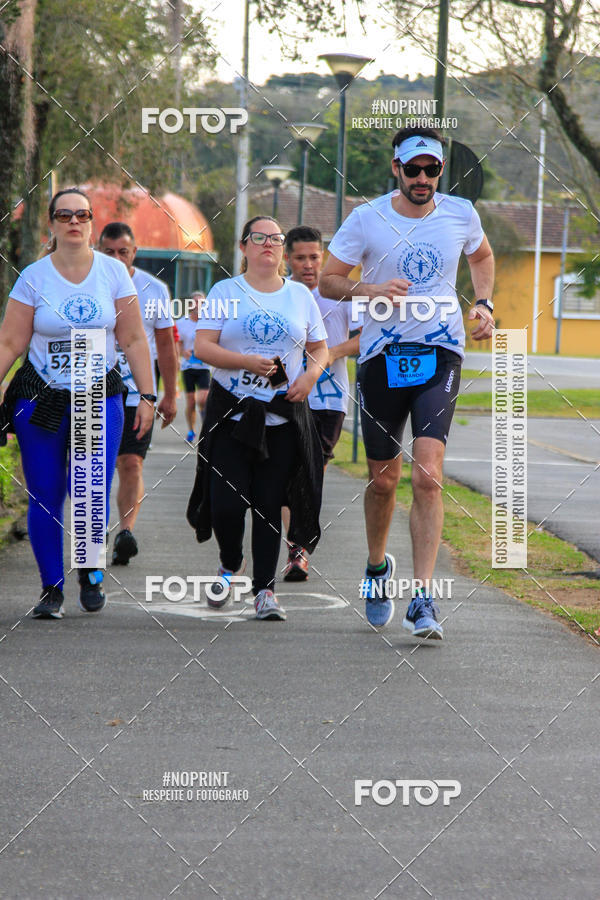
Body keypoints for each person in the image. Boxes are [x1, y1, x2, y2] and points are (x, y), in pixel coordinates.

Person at [320, 127, 495, 638]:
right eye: (412, 169)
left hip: (441, 352)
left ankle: (423, 598)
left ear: (441, 171)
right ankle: (377, 567)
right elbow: (330, 281)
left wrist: (482, 303)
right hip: (381, 356)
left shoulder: (460, 213)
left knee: (428, 475)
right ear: (395, 168)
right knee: (383, 479)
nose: (422, 179)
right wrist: (370, 288)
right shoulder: (366, 218)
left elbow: (481, 257)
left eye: (432, 170)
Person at [0, 188, 154, 618]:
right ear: (51, 223)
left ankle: (90, 570)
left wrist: (147, 394)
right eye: (64, 215)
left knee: (88, 487)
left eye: (82, 214)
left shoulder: (112, 273)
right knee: (45, 493)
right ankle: (51, 587)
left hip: (96, 398)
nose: (73, 221)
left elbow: (133, 338)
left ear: (91, 222)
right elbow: (10, 341)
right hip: (41, 398)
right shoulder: (34, 275)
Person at [186, 216, 328, 620]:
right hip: (232, 413)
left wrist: (310, 376)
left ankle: (265, 592)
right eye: (259, 237)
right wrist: (246, 361)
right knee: (227, 506)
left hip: (282, 416)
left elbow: (321, 348)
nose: (269, 244)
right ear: (244, 246)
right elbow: (203, 348)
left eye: (276, 238)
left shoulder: (300, 296)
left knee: (268, 506)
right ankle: (231, 562)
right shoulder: (225, 291)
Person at [282, 225, 361, 581]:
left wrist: (330, 354)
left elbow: (367, 338)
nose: (309, 265)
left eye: (315, 257)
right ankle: (293, 547)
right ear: (288, 258)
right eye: (300, 258)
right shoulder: (278, 294)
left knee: (308, 469)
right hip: (285, 396)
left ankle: (297, 549)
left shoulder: (340, 294)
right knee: (287, 474)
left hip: (329, 401)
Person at [98, 222, 178, 565]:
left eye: (123, 252)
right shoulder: (89, 283)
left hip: (135, 395)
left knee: (130, 463)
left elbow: (165, 345)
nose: (116, 258)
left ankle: (125, 532)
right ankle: (92, 531)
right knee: (95, 468)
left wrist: (169, 394)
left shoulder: (154, 289)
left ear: (135, 252)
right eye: (109, 252)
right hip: (93, 392)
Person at [177, 291, 211, 443]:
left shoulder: (210, 322)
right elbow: (177, 343)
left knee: (203, 399)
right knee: (190, 402)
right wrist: (183, 352)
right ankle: (191, 431)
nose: (198, 305)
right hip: (188, 367)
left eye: (202, 302)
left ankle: (206, 430)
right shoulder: (182, 322)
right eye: (195, 302)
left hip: (204, 366)